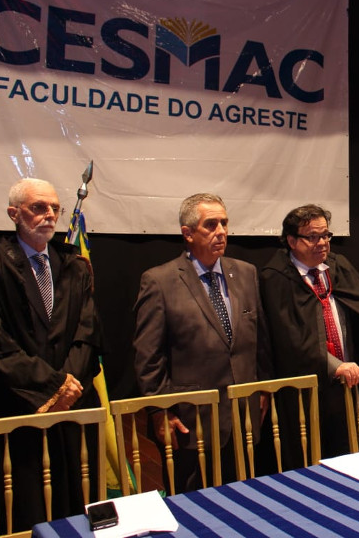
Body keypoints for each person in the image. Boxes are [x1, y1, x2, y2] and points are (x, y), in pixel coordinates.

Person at [0, 178, 101, 536]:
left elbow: (87, 333)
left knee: (71, 505)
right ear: (14, 213)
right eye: (38, 207)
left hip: (69, 408)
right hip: (12, 404)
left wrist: (68, 386)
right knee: (18, 511)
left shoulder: (74, 266)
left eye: (54, 208)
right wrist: (51, 385)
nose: (49, 215)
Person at [133, 193, 271, 492]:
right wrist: (159, 410)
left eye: (224, 223)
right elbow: (148, 355)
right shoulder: (159, 280)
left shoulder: (245, 273)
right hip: (191, 420)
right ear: (188, 233)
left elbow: (260, 338)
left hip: (243, 416)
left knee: (246, 499)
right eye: (211, 224)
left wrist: (262, 388)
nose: (221, 231)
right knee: (194, 504)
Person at [260, 204, 359, 462]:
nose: (322, 243)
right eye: (313, 237)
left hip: (348, 384)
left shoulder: (337, 265)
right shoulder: (276, 277)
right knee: (312, 460)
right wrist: (335, 366)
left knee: (351, 455)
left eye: (325, 235)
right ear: (291, 241)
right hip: (307, 389)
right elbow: (288, 340)